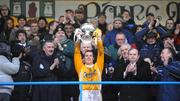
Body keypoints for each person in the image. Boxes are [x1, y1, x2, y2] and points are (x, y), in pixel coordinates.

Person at [74, 28, 104, 101]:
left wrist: (99, 39)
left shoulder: (98, 66)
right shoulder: (80, 67)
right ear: (83, 58)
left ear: (93, 58)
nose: (88, 57)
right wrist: (78, 39)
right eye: (86, 55)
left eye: (90, 55)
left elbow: (101, 51)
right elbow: (77, 52)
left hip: (96, 93)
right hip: (84, 94)